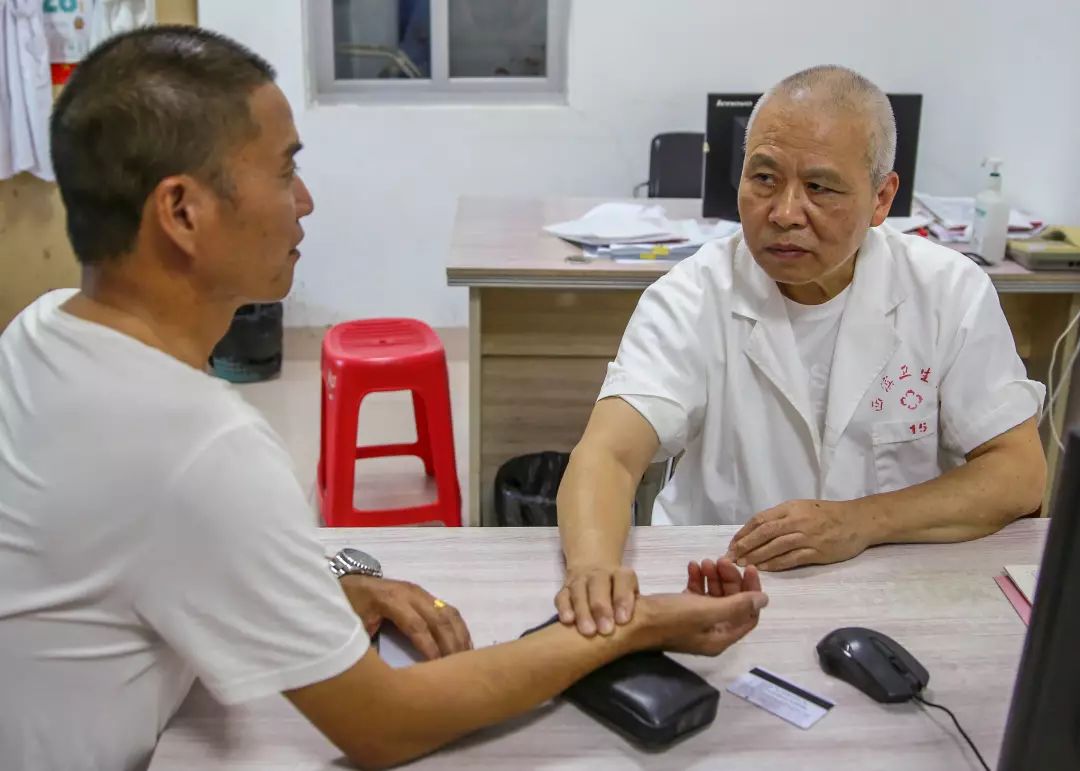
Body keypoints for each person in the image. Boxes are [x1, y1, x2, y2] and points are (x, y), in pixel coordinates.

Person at [0, 26, 768, 771]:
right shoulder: (198, 445)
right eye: (282, 170)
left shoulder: (41, 331)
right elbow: (383, 725)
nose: (304, 200)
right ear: (182, 211)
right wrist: (637, 627)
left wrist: (324, 589)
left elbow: (141, 550)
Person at [556, 65, 1046, 638]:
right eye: (764, 178)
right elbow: (608, 456)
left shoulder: (947, 291)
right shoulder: (692, 296)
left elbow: (1019, 474)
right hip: (723, 586)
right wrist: (593, 569)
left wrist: (861, 522)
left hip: (897, 585)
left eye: (820, 187)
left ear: (882, 197)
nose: (785, 212)